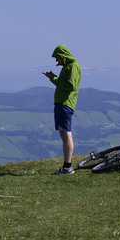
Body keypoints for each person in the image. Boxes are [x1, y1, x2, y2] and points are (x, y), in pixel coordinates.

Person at [43, 44, 81, 175]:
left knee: (66, 134)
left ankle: (67, 167)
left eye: (58, 58)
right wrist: (54, 77)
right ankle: (67, 166)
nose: (56, 61)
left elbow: (70, 86)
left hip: (65, 104)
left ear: (64, 56)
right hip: (62, 104)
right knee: (64, 134)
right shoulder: (69, 66)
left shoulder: (72, 67)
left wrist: (54, 79)